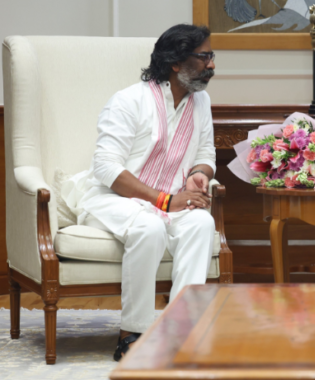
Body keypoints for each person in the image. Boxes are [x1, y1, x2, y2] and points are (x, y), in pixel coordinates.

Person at [62, 24, 217, 360]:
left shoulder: (200, 101)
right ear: (176, 63)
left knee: (203, 224)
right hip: (111, 200)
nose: (212, 65)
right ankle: (133, 332)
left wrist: (198, 176)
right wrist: (165, 200)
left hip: (171, 203)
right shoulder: (128, 100)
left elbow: (205, 154)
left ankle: (180, 331)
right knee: (149, 226)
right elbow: (106, 168)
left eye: (211, 55)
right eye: (204, 56)